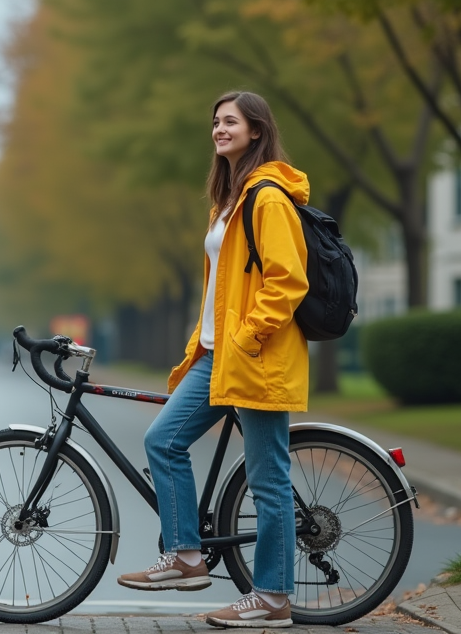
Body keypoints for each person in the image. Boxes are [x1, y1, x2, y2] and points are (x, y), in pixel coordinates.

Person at [117, 90, 310, 629]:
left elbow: (287, 281)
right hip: (218, 355)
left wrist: (247, 338)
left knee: (268, 478)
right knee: (163, 439)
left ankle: (272, 598)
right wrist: (204, 344)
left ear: (256, 130)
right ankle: (186, 556)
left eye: (231, 121)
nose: (220, 129)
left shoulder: (268, 198)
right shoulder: (230, 199)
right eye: (216, 122)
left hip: (255, 356)